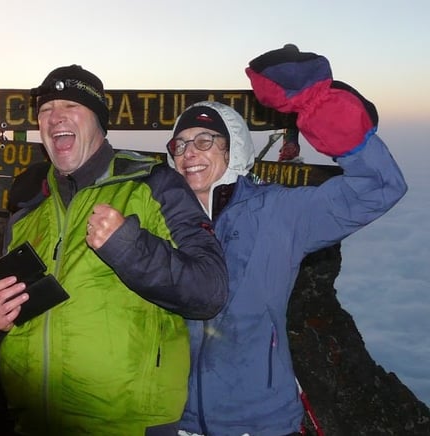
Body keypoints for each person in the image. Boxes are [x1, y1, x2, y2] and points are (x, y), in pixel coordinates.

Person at [166, 45, 407, 435]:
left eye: (205, 140)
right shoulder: (161, 218)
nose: (189, 153)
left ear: (233, 147)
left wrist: (319, 106)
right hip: (174, 419)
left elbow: (378, 188)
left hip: (260, 421)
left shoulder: (277, 212)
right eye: (180, 144)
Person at [0, 64, 228, 435]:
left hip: (128, 425)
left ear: (99, 120)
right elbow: (14, 320)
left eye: (71, 106)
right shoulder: (28, 206)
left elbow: (210, 290)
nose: (55, 117)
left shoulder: (153, 184)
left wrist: (130, 249)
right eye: (46, 110)